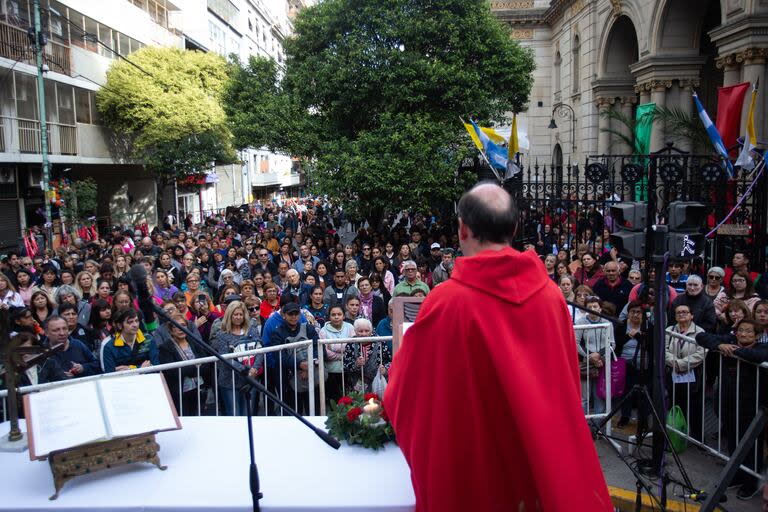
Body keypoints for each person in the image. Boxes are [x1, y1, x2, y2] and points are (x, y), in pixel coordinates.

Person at [385, 182, 611, 511]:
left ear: (462, 230)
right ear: (515, 228)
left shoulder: (445, 302)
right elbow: (565, 386)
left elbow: (405, 391)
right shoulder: (550, 297)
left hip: (475, 470)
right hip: (539, 464)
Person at [696, 320, 767, 500]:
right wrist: (720, 344)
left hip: (752, 405)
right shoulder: (730, 338)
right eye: (741, 330)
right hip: (730, 401)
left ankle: (751, 482)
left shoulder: (762, 346)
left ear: (757, 335)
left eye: (749, 332)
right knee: (734, 439)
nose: (743, 334)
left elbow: (757, 356)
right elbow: (701, 337)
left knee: (751, 444)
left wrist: (732, 350)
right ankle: (737, 474)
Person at [212, 301, 263, 416]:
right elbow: (225, 358)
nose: (238, 317)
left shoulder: (252, 330)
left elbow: (260, 350)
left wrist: (254, 368)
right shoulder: (222, 334)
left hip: (250, 380)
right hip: (229, 382)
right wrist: (246, 370)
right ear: (230, 315)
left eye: (240, 314)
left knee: (248, 414)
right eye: (235, 314)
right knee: (235, 415)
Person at [665, 303, 706, 441]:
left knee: (694, 407)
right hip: (673, 374)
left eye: (685, 312)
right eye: (678, 312)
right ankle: (676, 436)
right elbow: (663, 350)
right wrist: (674, 362)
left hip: (693, 374)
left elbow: (701, 353)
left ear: (691, 315)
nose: (681, 314)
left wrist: (681, 364)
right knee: (676, 404)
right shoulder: (669, 330)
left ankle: (697, 438)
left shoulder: (700, 332)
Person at [158, 312, 208, 416]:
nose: (181, 328)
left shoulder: (194, 341)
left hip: (199, 389)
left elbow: (206, 365)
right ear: (171, 330)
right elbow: (173, 372)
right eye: (177, 326)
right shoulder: (166, 347)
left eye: (183, 325)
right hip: (181, 393)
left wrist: (187, 368)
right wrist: (195, 367)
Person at [575, 296, 615, 414]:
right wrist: (590, 356)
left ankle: (599, 428)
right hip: (586, 363)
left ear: (600, 308)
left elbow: (612, 343)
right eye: (590, 307)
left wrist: (599, 355)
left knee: (600, 397)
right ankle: (583, 428)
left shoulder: (607, 322)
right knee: (584, 398)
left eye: (595, 306)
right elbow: (576, 342)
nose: (592, 309)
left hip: (602, 363)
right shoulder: (580, 322)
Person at [101, 308, 159, 373]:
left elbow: (156, 368)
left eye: (136, 321)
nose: (135, 325)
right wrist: (141, 369)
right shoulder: (109, 347)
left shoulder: (149, 339)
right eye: (130, 322)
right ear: (120, 325)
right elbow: (110, 374)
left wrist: (130, 369)